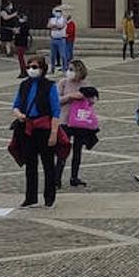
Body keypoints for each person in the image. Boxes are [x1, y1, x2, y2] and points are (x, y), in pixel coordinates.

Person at [12, 56, 61, 208]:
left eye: (34, 67)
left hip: (44, 128)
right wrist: (18, 114)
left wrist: (54, 133)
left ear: (42, 69)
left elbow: (56, 111)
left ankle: (49, 197)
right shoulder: (24, 85)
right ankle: (30, 197)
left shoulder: (49, 86)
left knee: (48, 164)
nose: (31, 70)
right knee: (30, 165)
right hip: (28, 127)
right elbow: (16, 105)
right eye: (29, 67)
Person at [54, 60, 88, 188]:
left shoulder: (84, 84)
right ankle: (57, 179)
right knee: (63, 150)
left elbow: (92, 99)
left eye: (72, 69)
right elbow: (56, 100)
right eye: (69, 69)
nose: (69, 72)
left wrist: (84, 97)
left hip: (79, 121)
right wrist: (69, 97)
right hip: (64, 121)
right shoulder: (63, 83)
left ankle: (74, 177)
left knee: (78, 150)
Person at [46, 7, 67, 73]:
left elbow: (61, 26)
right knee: (52, 55)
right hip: (53, 39)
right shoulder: (52, 19)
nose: (58, 13)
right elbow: (48, 26)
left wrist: (54, 26)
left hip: (61, 39)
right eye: (56, 11)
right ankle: (52, 69)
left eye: (59, 11)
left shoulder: (63, 19)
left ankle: (64, 68)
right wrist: (55, 26)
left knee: (63, 55)